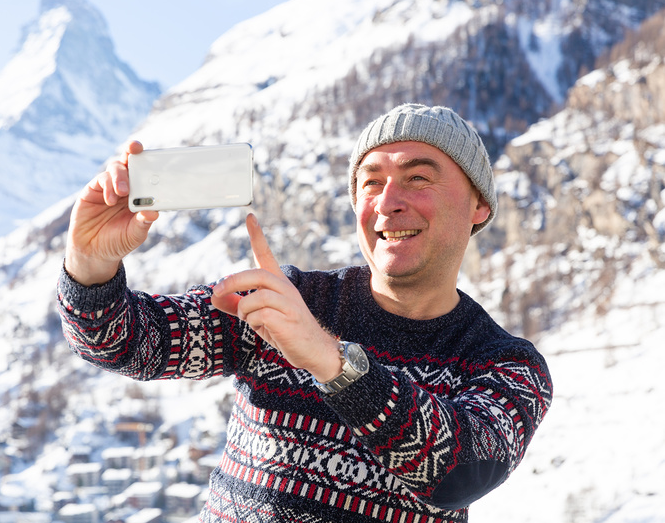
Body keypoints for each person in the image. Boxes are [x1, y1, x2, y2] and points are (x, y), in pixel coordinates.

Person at [57, 103, 553, 522]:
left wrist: (330, 360)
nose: (387, 203)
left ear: (478, 206)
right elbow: (124, 344)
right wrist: (90, 262)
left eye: (418, 177)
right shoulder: (288, 297)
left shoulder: (505, 363)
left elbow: (458, 473)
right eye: (370, 182)